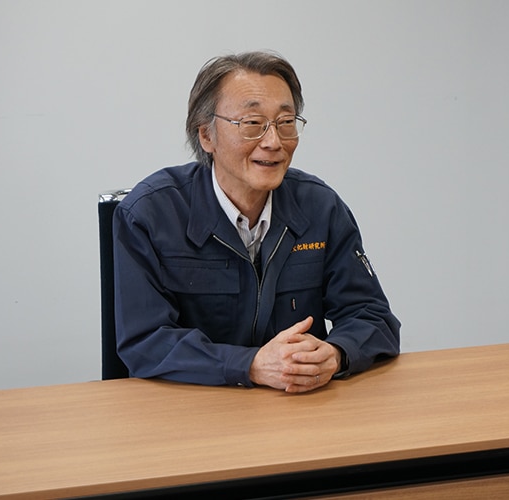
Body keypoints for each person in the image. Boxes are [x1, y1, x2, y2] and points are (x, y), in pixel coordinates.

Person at [113, 51, 400, 393]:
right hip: (191, 415)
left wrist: (336, 354)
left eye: (285, 122)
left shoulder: (320, 207)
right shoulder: (149, 214)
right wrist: (249, 365)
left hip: (297, 411)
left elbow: (374, 318)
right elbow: (144, 342)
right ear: (206, 135)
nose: (273, 142)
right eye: (252, 124)